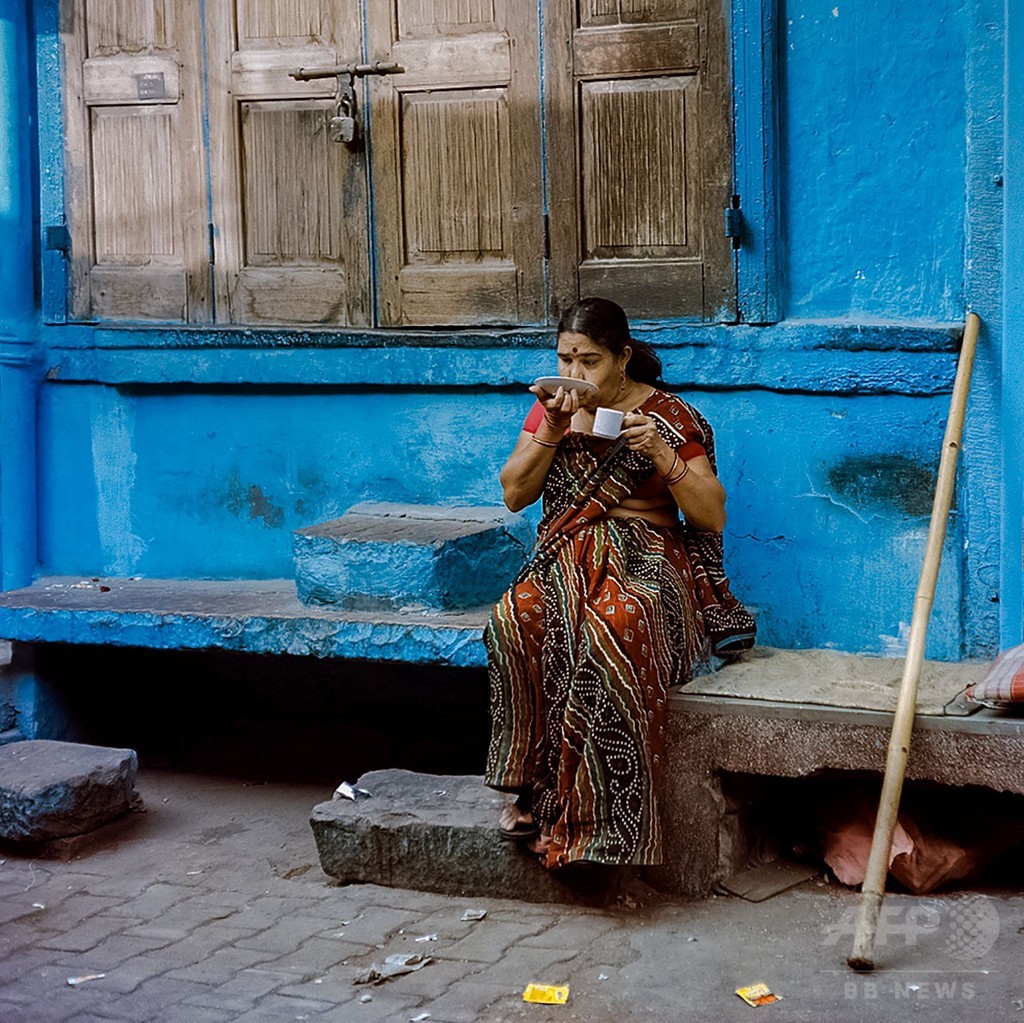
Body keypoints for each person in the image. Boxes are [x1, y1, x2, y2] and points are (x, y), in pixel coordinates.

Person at [484, 296, 753, 871]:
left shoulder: (669, 416)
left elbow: (711, 516)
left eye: (590, 362)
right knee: (515, 616)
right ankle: (532, 792)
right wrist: (552, 429)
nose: (575, 377)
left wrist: (660, 453)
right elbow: (514, 494)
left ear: (622, 357)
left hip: (648, 557)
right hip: (566, 554)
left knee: (615, 624)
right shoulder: (549, 410)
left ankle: (601, 823)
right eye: (565, 360)